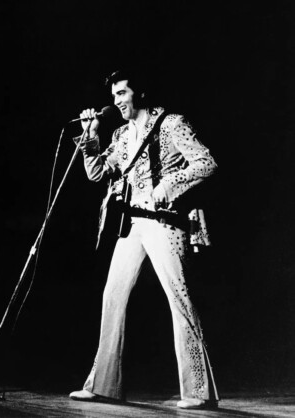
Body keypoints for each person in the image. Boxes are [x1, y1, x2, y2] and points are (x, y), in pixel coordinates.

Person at [69, 69, 219, 409]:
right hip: (133, 224)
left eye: (122, 93)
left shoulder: (171, 123)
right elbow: (97, 173)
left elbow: (207, 163)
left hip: (165, 223)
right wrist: (90, 135)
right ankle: (104, 385)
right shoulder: (122, 134)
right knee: (112, 296)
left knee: (180, 300)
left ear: (140, 93)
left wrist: (168, 185)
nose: (117, 101)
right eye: (114, 96)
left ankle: (199, 392)